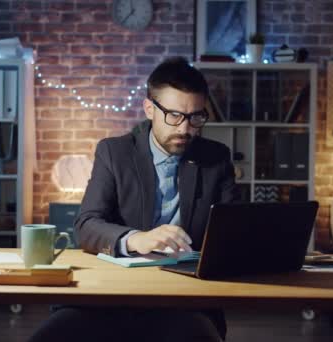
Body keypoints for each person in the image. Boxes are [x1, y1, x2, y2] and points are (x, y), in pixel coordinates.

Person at [29, 57, 239, 342]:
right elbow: (86, 225)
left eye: (196, 117)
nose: (185, 129)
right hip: (111, 294)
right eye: (174, 115)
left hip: (185, 299)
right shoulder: (115, 153)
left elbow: (232, 230)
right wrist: (134, 239)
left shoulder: (216, 157)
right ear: (149, 108)